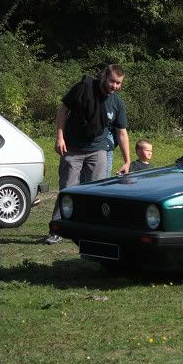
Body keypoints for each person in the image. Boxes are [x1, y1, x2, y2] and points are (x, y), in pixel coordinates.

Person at [46, 64, 131, 244]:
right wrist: (59, 137)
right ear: (104, 78)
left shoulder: (117, 103)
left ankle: (90, 230)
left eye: (118, 83)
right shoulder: (82, 89)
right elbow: (63, 110)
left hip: (98, 150)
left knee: (96, 192)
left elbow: (121, 132)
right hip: (73, 149)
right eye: (112, 81)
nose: (114, 86)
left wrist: (127, 161)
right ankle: (58, 230)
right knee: (67, 189)